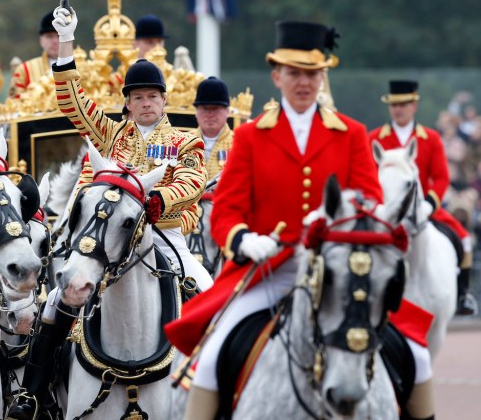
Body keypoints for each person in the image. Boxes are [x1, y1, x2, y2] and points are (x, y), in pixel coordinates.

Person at [164, 21, 436, 420]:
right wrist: (244, 240)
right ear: (277, 76)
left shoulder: (352, 134)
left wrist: (341, 217)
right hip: (270, 271)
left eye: (312, 73)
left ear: (322, 76)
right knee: (210, 357)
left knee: (418, 356)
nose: (304, 83)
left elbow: (370, 204)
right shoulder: (251, 136)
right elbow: (226, 211)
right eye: (294, 73)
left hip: (338, 275)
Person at [5, 4, 211, 420]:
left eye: (152, 96)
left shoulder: (186, 141)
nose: (146, 103)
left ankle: (212, 390)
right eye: (138, 98)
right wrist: (66, 42)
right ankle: (33, 393)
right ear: (128, 103)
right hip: (104, 240)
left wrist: (157, 201)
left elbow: (192, 181)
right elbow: (73, 102)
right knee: (56, 301)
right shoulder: (111, 134)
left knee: (207, 294)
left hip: (164, 236)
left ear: (164, 100)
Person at [370, 80, 478, 316]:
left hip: (424, 207)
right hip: (387, 211)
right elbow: (369, 178)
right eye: (394, 105)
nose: (399, 109)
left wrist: (429, 204)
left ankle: (462, 295)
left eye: (404, 104)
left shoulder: (430, 137)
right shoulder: (375, 138)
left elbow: (441, 177)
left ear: (414, 106)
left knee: (464, 239)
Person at [8, 10, 59, 97]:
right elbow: (15, 103)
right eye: (50, 36)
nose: (55, 41)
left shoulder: (83, 67)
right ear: (41, 40)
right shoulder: (24, 70)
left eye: (60, 36)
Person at [193, 76, 233, 180]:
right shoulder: (182, 142)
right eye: (204, 109)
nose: (209, 114)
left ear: (227, 111)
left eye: (215, 108)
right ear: (196, 112)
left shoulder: (239, 143)